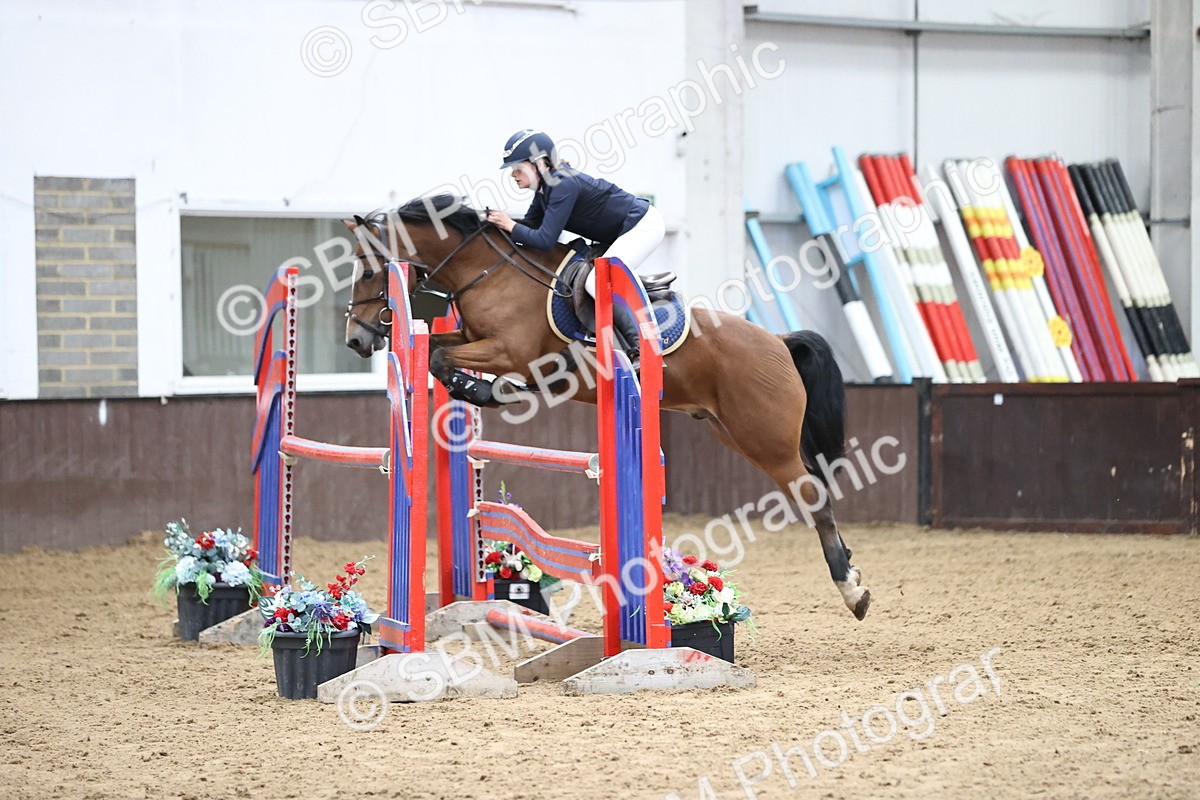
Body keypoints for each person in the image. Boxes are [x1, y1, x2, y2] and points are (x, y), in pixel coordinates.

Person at [486, 128, 665, 368]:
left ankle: (642, 349)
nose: (513, 174)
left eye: (518, 167)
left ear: (538, 163)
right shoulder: (546, 188)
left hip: (642, 226)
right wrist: (488, 227)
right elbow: (527, 227)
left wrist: (508, 224)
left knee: (595, 281)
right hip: (618, 233)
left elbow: (545, 240)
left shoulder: (562, 184)